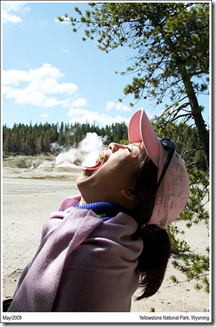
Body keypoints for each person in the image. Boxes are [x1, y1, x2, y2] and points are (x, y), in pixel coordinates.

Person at [7, 108, 189, 312]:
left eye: (127, 150)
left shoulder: (94, 260)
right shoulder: (67, 222)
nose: (113, 145)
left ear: (133, 192)